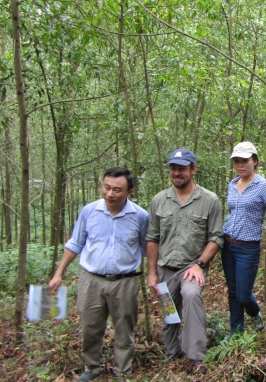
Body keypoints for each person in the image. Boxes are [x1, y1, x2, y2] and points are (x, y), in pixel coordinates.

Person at [48, 167, 149, 381]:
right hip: (91, 281)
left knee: (124, 329)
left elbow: (146, 248)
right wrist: (59, 274)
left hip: (125, 282)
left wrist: (154, 275)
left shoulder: (140, 217)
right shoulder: (89, 211)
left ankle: (122, 371)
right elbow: (75, 243)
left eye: (117, 190)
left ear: (129, 192)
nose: (110, 194)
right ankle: (93, 367)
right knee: (90, 327)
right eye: (106, 187)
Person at [146, 148, 224, 366]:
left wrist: (200, 264)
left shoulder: (209, 200)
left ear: (193, 169)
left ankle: (195, 356)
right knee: (168, 312)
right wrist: (152, 273)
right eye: (173, 168)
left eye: (182, 168)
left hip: (192, 267)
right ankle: (173, 353)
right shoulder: (159, 200)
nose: (177, 173)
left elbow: (216, 237)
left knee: (190, 296)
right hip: (165, 268)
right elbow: (152, 237)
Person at [221, 142, 266, 336]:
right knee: (232, 292)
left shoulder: (263, 185)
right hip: (227, 244)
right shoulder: (232, 184)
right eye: (237, 161)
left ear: (254, 161)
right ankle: (236, 331)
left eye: (245, 161)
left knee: (243, 295)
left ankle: (256, 313)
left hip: (248, 247)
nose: (240, 165)